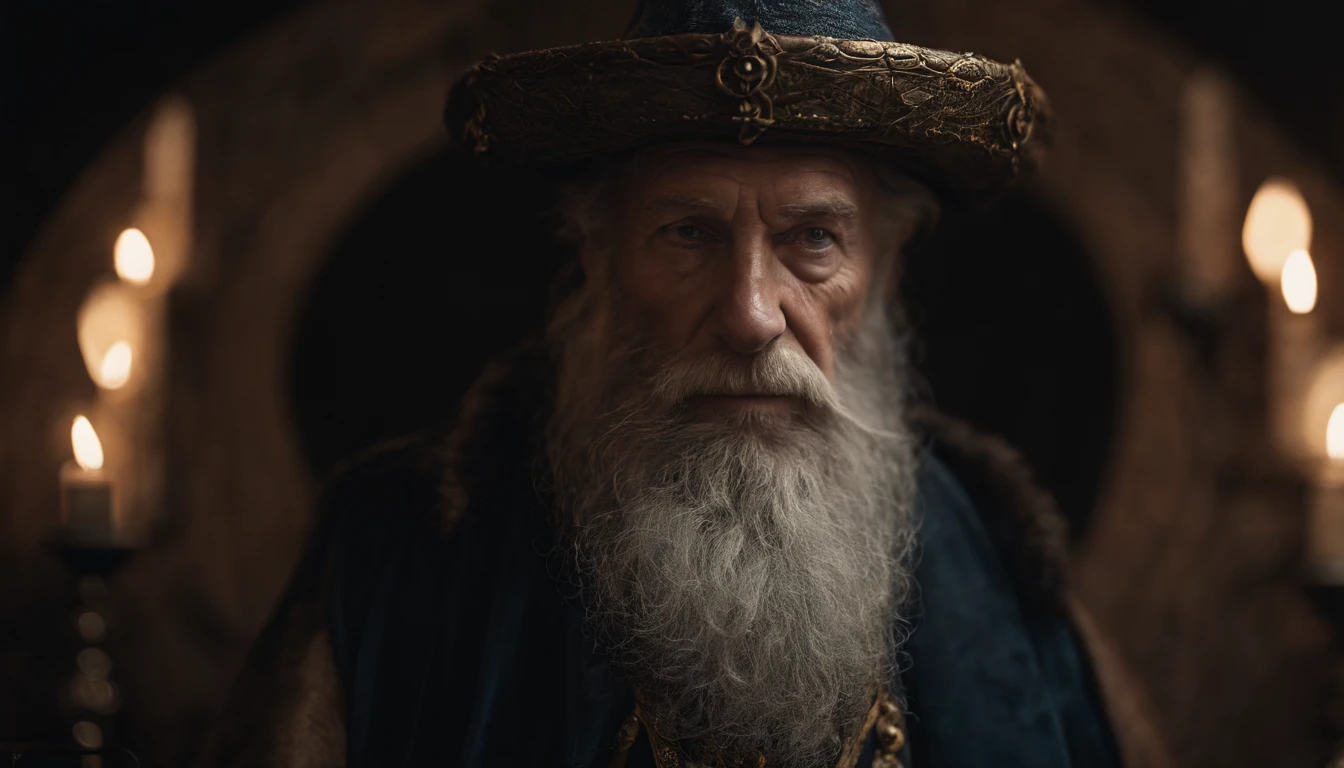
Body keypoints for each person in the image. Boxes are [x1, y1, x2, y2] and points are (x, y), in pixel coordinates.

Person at [203, 1, 1171, 766]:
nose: (751, 314)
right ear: (594, 256)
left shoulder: (1008, 577)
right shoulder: (395, 559)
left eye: (814, 239)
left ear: (886, 266)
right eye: (689, 234)